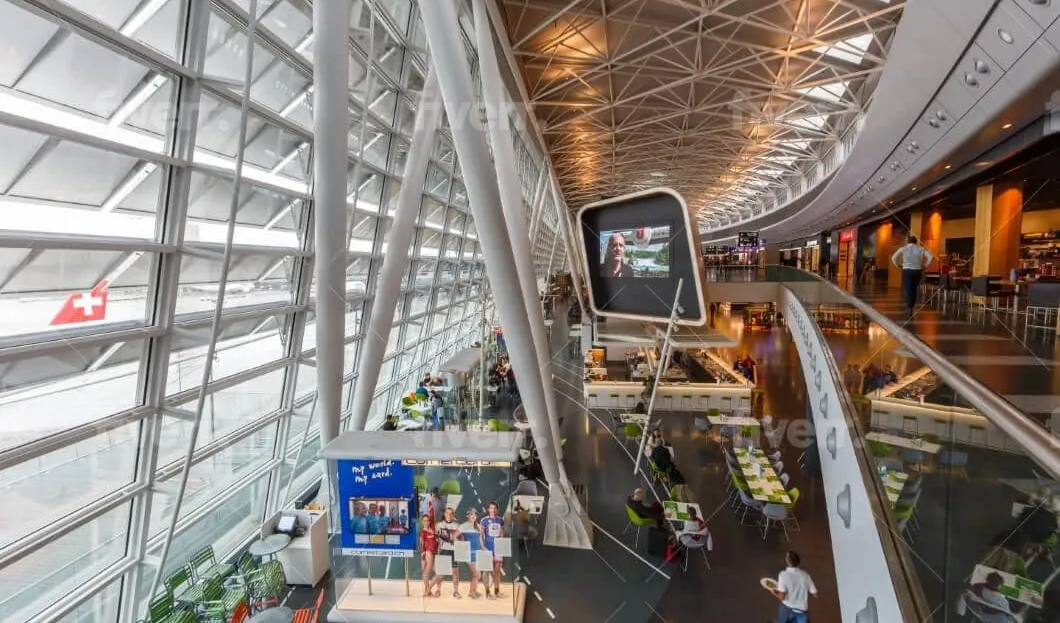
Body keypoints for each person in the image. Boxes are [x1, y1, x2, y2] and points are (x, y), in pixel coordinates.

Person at [890, 235, 936, 316]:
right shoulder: (921, 249)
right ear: (916, 242)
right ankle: (912, 306)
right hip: (917, 271)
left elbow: (893, 258)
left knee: (908, 288)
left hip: (907, 271)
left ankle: (909, 306)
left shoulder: (903, 248)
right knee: (914, 288)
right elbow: (931, 257)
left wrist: (898, 265)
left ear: (907, 242)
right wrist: (925, 266)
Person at [769, 551, 818, 623]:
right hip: (802, 610)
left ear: (787, 561)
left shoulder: (783, 575)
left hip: (787, 609)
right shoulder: (805, 575)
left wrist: (773, 592)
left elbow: (782, 597)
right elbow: (815, 594)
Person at [436, 507, 464, 598]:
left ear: (453, 515)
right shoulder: (439, 525)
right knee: (440, 572)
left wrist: (457, 542)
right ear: (444, 514)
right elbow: (436, 538)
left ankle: (455, 591)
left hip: (454, 551)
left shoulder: (457, 525)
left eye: (451, 513)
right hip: (443, 550)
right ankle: (438, 590)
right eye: (447, 513)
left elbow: (461, 538)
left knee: (455, 571)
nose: (449, 515)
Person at [480, 502, 506, 599]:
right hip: (487, 548)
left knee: (497, 571)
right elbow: (481, 535)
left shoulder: (500, 520)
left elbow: (502, 533)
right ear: (488, 509)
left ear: (497, 510)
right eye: (491, 508)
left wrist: (502, 543)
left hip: (498, 549)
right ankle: (487, 593)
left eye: (495, 508)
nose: (493, 510)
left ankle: (497, 591)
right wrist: (483, 547)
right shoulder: (484, 520)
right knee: (486, 571)